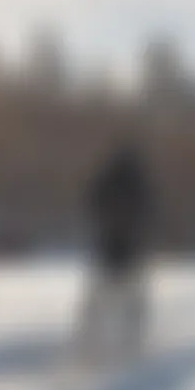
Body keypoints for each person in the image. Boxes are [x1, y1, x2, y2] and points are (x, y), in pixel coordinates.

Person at [78, 144, 152, 366]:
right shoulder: (138, 182)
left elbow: (91, 203)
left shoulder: (107, 180)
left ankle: (90, 343)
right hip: (128, 246)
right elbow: (150, 211)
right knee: (131, 298)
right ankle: (130, 343)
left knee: (101, 297)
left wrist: (103, 222)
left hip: (109, 244)